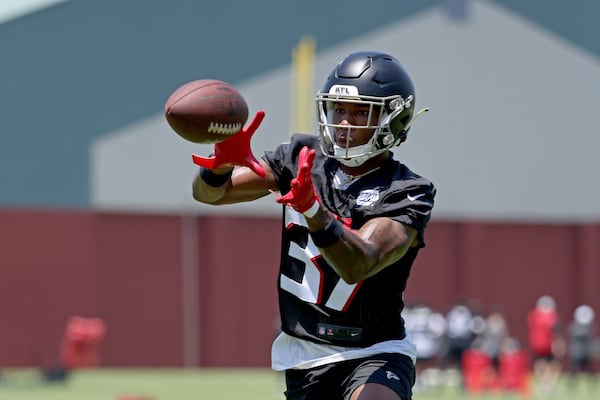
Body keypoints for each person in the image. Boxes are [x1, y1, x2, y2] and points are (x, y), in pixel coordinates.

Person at [192, 51, 435, 400]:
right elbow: (212, 196)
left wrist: (312, 208)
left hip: (374, 351)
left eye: (360, 112)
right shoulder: (301, 157)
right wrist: (216, 168)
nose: (345, 123)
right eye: (338, 109)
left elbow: (359, 263)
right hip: (303, 356)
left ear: (394, 119)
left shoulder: (407, 190)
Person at [526, 295, 565, 392]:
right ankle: (548, 381)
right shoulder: (552, 317)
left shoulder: (533, 315)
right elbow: (556, 331)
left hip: (537, 344)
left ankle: (544, 381)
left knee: (540, 363)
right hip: (548, 344)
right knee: (553, 363)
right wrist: (558, 344)